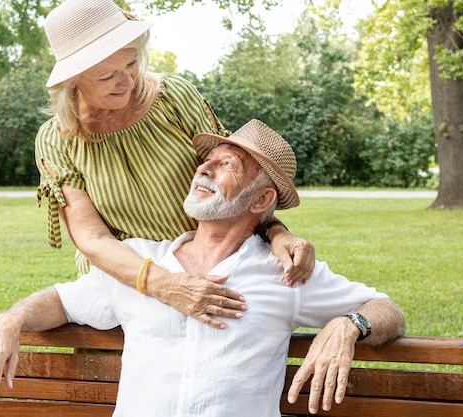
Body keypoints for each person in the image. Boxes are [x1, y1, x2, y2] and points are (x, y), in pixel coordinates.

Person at [0, 119, 406, 416]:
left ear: (260, 201)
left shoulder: (285, 274)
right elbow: (61, 301)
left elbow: (388, 310)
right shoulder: (138, 260)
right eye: (207, 160)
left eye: (226, 164)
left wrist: (348, 326)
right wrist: (10, 320)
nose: (204, 168)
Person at [34, 0, 317, 328]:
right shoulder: (56, 140)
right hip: (120, 290)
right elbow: (92, 239)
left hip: (206, 276)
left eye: (131, 63)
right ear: (73, 80)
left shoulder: (174, 98)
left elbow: (236, 180)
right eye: (107, 76)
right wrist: (165, 285)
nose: (126, 81)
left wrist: (276, 231)